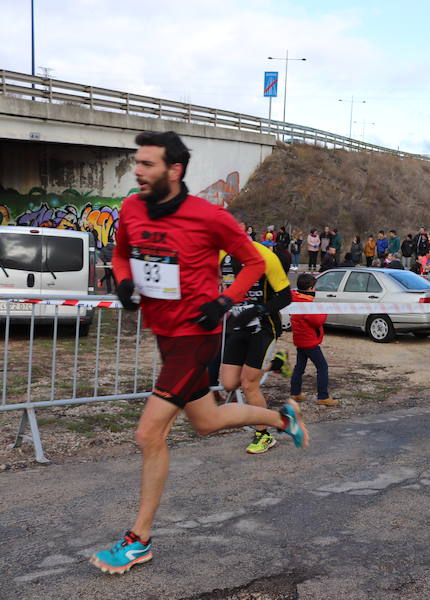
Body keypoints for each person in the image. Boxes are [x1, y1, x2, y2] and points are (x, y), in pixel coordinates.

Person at [93, 131, 307, 575]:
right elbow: (121, 253)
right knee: (207, 422)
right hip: (165, 335)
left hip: (196, 336)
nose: (138, 170)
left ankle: (139, 540)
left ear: (175, 170)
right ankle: (281, 419)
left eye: (148, 164)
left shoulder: (209, 217)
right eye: (138, 162)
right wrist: (125, 281)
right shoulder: (133, 207)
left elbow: (252, 261)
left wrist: (226, 300)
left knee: (148, 435)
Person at [218, 226, 293, 455]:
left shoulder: (266, 256)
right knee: (229, 383)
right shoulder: (222, 255)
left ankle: (263, 435)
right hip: (237, 327)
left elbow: (286, 296)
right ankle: (277, 363)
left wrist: (259, 310)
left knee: (249, 384)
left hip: (263, 327)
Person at [290, 274, 338, 405]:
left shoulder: (296, 299)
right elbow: (317, 321)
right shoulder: (306, 303)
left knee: (299, 367)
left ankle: (295, 393)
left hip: (300, 339)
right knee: (322, 367)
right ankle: (323, 396)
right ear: (310, 288)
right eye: (315, 287)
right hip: (309, 341)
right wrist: (323, 310)